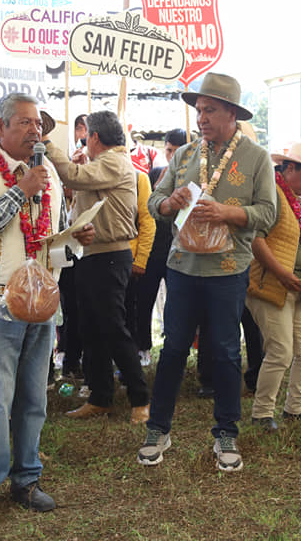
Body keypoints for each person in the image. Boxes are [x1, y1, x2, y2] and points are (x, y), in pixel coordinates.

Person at [0, 93, 95, 533]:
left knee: (34, 397)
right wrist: (19, 191)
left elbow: (48, 235)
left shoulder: (48, 170)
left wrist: (76, 235)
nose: (37, 131)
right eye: (25, 123)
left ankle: (26, 479)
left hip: (41, 298)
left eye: (40, 124)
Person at [139, 72, 278, 472]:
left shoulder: (255, 157)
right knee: (173, 349)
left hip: (228, 268)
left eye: (210, 110)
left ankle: (226, 433)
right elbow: (157, 201)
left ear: (231, 112)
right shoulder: (184, 156)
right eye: (199, 110)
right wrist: (169, 204)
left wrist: (227, 213)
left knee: (225, 351)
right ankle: (158, 428)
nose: (201, 118)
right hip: (182, 267)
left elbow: (268, 212)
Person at [44, 110, 150, 424]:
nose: (83, 141)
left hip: (110, 257)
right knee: (92, 330)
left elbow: (73, 178)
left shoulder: (115, 161)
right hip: (91, 255)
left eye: (85, 136)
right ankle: (101, 396)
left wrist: (49, 146)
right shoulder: (104, 162)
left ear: (94, 138)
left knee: (114, 330)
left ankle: (140, 398)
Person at [247, 142, 301, 430]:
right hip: (272, 285)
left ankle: (295, 408)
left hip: (297, 286)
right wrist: (281, 272)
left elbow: (289, 236)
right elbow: (255, 239)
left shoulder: (295, 199)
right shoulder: (269, 192)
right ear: (290, 168)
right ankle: (262, 413)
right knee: (281, 351)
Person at [135, 128, 188, 365]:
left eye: (178, 152)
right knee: (144, 299)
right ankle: (142, 346)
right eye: (169, 151)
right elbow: (148, 209)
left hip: (179, 249)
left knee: (177, 302)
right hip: (154, 249)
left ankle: (176, 346)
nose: (172, 156)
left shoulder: (193, 177)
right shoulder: (155, 173)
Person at [126, 169, 156, 365]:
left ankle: (133, 359)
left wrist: (141, 259)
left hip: (129, 260)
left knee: (132, 312)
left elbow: (147, 220)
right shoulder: (90, 173)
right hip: (99, 260)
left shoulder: (138, 178)